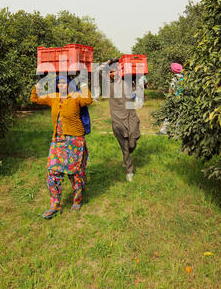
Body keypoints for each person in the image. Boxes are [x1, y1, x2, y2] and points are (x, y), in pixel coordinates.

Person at [30, 73, 92, 219]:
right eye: (59, 83)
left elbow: (88, 99)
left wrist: (83, 82)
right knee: (52, 171)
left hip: (74, 141)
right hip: (57, 141)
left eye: (64, 83)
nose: (61, 85)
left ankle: (77, 199)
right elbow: (34, 98)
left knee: (75, 172)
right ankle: (55, 204)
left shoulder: (76, 97)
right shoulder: (54, 98)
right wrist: (40, 81)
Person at [96, 59, 141, 182]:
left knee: (133, 142)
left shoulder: (127, 81)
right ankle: (129, 170)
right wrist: (109, 61)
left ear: (119, 71)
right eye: (110, 72)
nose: (112, 74)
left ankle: (127, 156)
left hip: (131, 115)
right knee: (125, 146)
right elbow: (98, 70)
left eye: (114, 71)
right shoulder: (108, 84)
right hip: (117, 119)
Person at [158, 63, 183, 135]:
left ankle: (164, 130)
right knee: (180, 115)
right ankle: (178, 131)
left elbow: (172, 90)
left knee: (169, 114)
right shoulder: (183, 78)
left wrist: (169, 97)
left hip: (174, 99)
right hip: (182, 99)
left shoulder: (174, 79)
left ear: (173, 71)